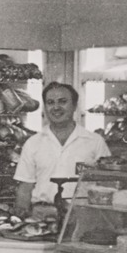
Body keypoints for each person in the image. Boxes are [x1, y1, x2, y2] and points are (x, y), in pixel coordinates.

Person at [13, 81, 111, 216]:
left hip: (82, 215)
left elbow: (108, 185)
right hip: (42, 215)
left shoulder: (94, 142)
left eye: (62, 101)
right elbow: (25, 188)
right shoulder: (33, 143)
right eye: (50, 102)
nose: (56, 107)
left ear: (75, 105)